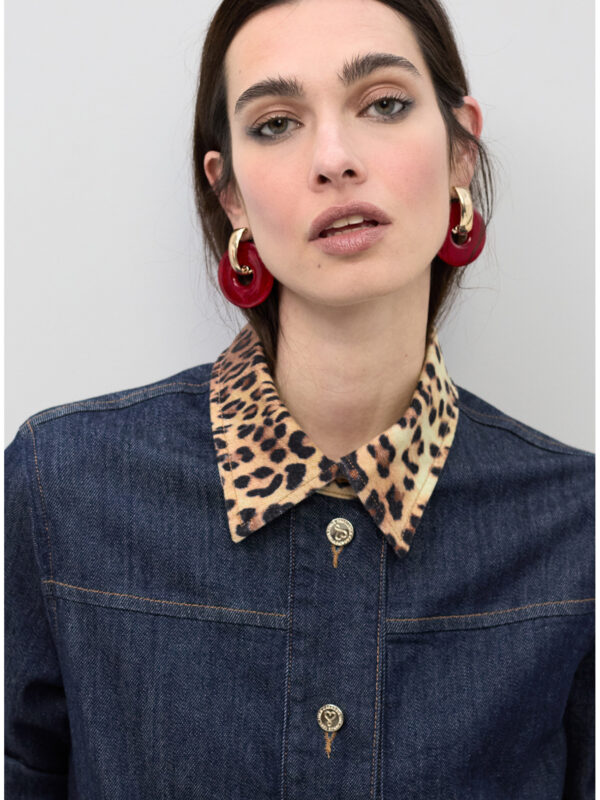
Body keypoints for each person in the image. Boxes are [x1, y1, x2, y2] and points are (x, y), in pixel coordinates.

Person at [5, 0, 593, 797]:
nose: (335, 159)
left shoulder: (577, 528)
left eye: (384, 105)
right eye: (277, 123)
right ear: (231, 195)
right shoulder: (60, 490)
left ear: (461, 149)